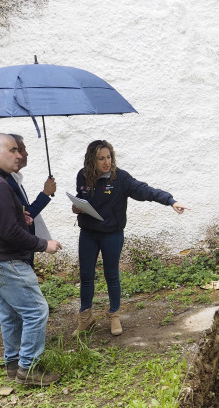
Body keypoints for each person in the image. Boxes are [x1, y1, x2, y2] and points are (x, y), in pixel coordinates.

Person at [0, 132, 62, 386]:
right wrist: (44, 244)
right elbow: (10, 233)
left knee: (9, 312)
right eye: (13, 150)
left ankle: (13, 364)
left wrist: (22, 217)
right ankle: (27, 370)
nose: (19, 154)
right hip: (4, 261)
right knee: (36, 311)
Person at [72, 139, 188, 336]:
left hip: (112, 234)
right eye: (101, 158)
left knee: (111, 275)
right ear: (92, 160)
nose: (106, 162)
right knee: (86, 276)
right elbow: (81, 199)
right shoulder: (83, 176)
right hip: (88, 233)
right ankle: (86, 317)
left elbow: (145, 190)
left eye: (108, 157)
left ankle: (114, 316)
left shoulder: (120, 179)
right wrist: (77, 207)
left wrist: (170, 201)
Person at [6, 134, 57, 267]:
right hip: (18, 251)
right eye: (21, 150)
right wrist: (45, 194)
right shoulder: (7, 182)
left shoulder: (15, 179)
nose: (26, 154)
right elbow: (25, 215)